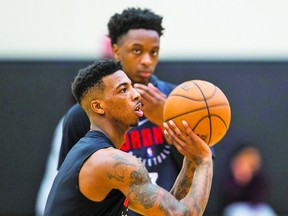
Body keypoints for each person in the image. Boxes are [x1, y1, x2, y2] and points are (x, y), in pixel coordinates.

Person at [58, 6, 215, 197]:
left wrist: (167, 120)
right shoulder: (83, 113)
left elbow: (201, 170)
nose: (147, 60)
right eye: (137, 50)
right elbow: (70, 186)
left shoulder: (182, 100)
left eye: (154, 52)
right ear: (116, 51)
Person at [44, 58, 213, 215]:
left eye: (132, 86)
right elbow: (180, 214)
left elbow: (166, 209)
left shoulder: (94, 152)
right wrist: (204, 160)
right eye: (123, 90)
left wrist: (191, 160)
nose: (136, 94)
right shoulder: (110, 163)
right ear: (98, 106)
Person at [219, 143, 276, 216]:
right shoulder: (229, 177)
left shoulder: (260, 179)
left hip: (256, 208)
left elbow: (261, 197)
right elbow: (227, 197)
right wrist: (239, 180)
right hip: (236, 208)